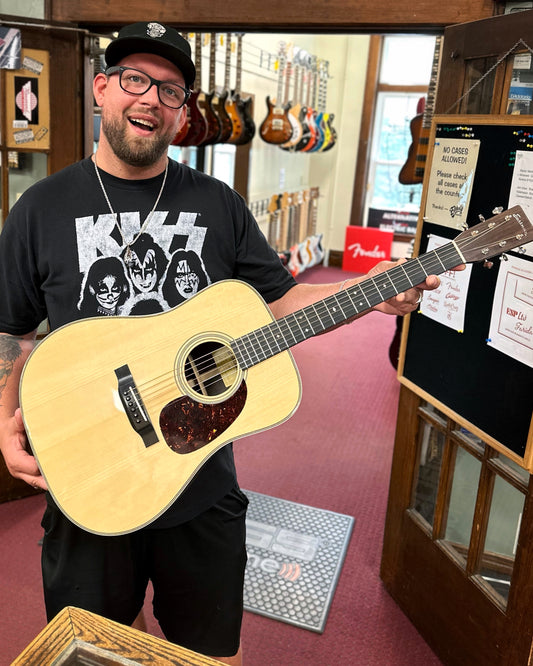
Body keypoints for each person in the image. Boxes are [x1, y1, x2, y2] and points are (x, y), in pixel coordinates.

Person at [0, 22, 443, 666]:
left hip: (199, 481)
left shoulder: (218, 205)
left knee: (208, 654)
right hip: (88, 479)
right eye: (135, 80)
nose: (151, 98)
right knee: (93, 653)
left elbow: (284, 301)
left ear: (183, 110)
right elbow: (10, 330)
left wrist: (372, 290)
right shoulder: (38, 209)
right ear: (102, 89)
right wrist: (2, 425)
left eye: (171, 89)